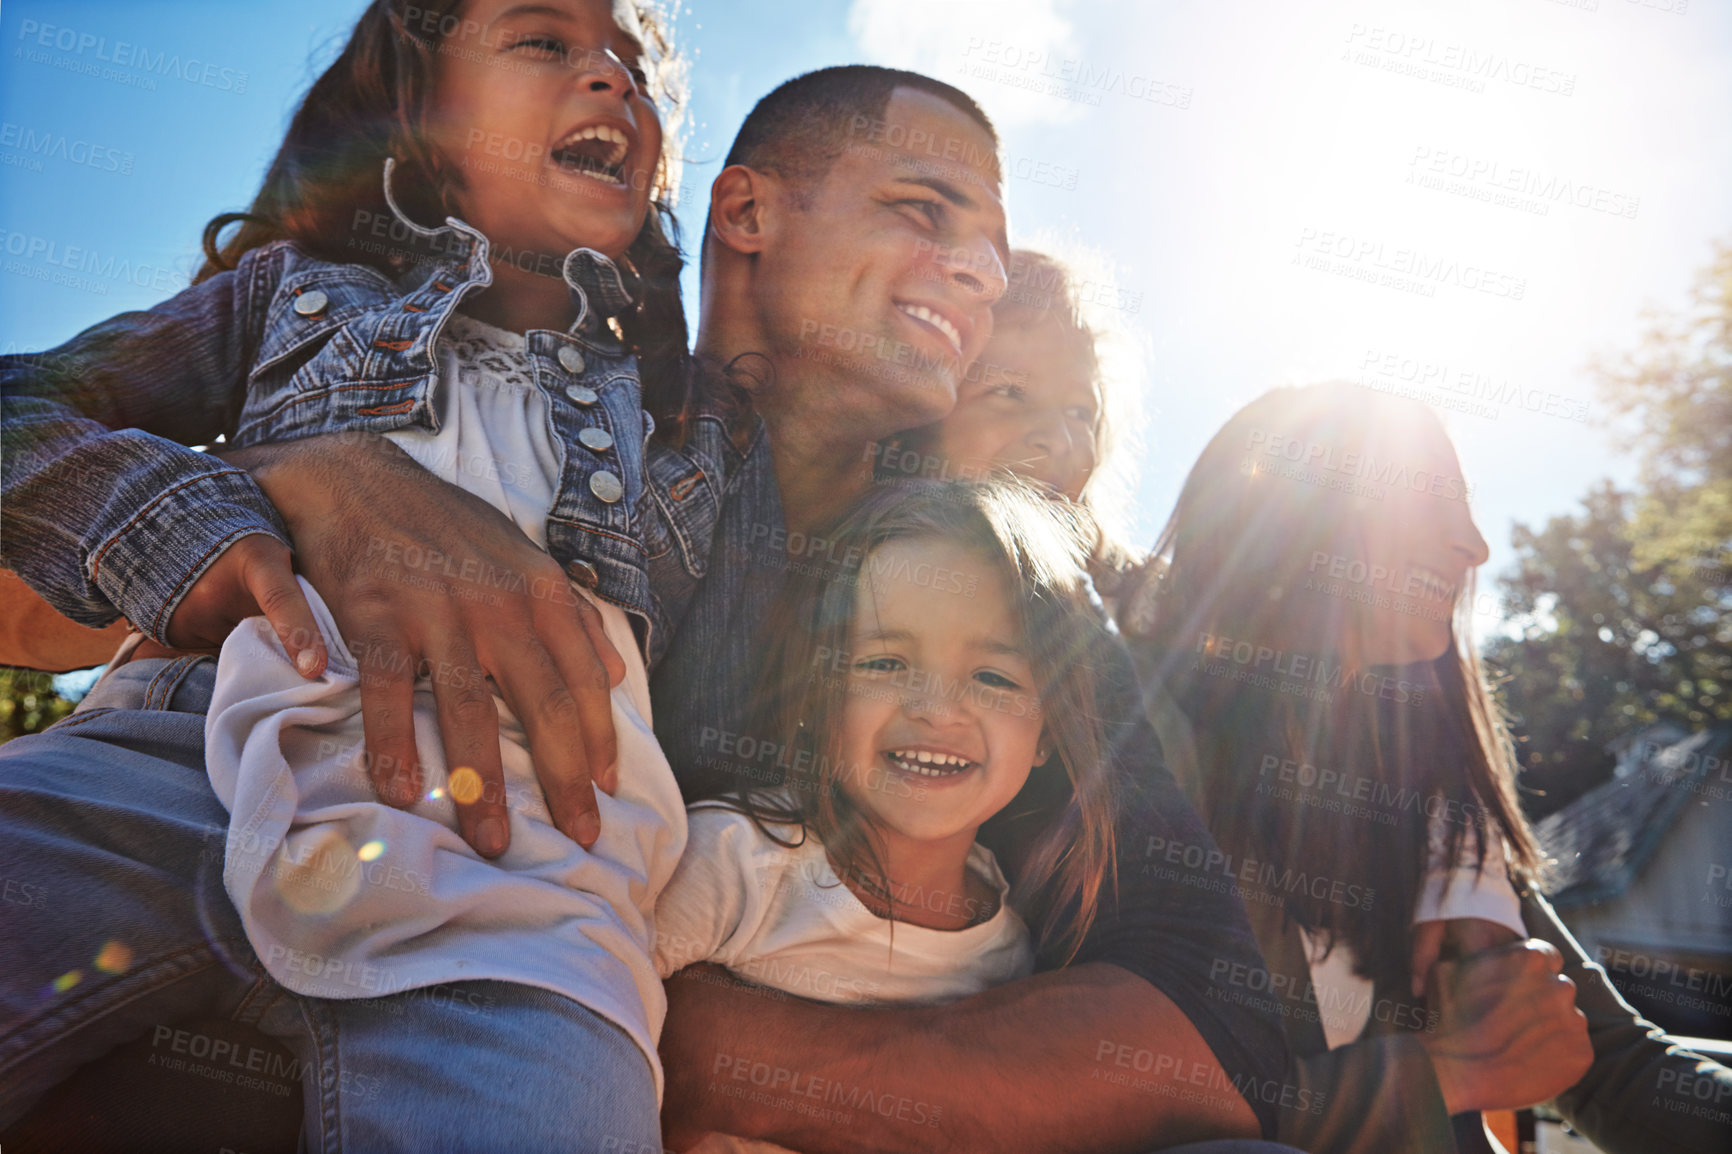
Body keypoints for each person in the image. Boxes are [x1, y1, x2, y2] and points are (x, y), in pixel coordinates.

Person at [1, 61, 1294, 1154]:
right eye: (925, 211)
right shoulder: (517, 363)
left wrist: (717, 1055)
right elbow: (38, 575)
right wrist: (296, 475)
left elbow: (1216, 1033)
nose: (977, 278)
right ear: (744, 210)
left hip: (533, 1016)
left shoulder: (1004, 592)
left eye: (992, 255)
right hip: (209, 847)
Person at [0, 1, 737, 1148]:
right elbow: (21, 409)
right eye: (544, 41)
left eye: (632, 64)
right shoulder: (292, 293)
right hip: (164, 772)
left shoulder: (690, 415)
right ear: (420, 115)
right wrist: (182, 520)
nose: (611, 79)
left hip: (526, 886)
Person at [1115, 381, 1732, 1153]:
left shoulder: (1433, 800)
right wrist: (1441, 1073)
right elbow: (1126, 1108)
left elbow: (1614, 1067)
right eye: (1432, 498)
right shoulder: (1132, 743)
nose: (1475, 545)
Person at [655, 479, 1118, 1152]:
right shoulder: (736, 857)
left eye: (993, 677)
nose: (936, 707)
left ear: (1048, 731)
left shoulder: (1012, 953)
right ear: (820, 692)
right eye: (885, 662)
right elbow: (592, 1013)